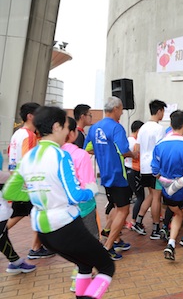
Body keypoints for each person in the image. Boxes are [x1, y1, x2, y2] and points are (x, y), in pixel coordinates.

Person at [2, 106, 114, 298]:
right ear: (56, 127)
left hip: (42, 231)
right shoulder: (60, 155)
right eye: (64, 127)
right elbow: (74, 196)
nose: (67, 132)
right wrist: (91, 190)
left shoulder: (29, 156)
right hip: (65, 225)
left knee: (84, 264)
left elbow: (10, 191)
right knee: (106, 266)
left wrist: (39, 195)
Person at [84, 96, 134, 260]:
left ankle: (111, 233)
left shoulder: (94, 127)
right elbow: (124, 150)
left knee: (116, 206)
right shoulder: (116, 128)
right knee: (124, 209)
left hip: (104, 175)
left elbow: (88, 149)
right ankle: (108, 246)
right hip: (119, 174)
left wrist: (102, 152)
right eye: (121, 109)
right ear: (116, 109)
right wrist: (134, 154)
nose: (121, 112)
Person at [7, 102, 55, 259]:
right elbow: (31, 160)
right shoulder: (29, 136)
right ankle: (35, 248)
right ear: (30, 116)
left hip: (18, 180)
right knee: (36, 212)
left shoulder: (17, 134)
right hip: (27, 184)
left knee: (30, 213)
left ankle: (37, 247)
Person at [151, 110, 183, 261]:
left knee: (177, 214)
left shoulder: (160, 144)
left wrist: (165, 180)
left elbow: (155, 170)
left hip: (167, 190)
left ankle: (171, 244)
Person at [62, 116, 101, 292]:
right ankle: (80, 276)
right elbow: (88, 184)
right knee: (90, 238)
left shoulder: (52, 154)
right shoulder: (80, 154)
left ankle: (77, 269)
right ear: (72, 134)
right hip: (83, 204)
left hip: (61, 207)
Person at [132, 99, 167, 239]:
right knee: (157, 197)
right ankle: (155, 229)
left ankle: (139, 220)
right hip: (155, 167)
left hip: (144, 167)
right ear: (159, 111)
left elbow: (137, 148)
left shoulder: (143, 128)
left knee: (151, 195)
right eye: (163, 111)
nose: (163, 114)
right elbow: (161, 149)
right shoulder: (159, 129)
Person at [125, 120, 145, 228]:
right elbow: (136, 156)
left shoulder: (127, 140)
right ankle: (133, 221)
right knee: (140, 197)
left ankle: (124, 220)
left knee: (128, 198)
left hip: (127, 170)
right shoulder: (135, 143)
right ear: (138, 131)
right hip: (134, 171)